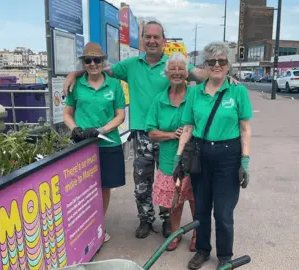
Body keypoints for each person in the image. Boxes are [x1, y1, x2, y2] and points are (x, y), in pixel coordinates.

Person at [62, 21, 238, 239]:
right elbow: (97, 68)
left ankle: (167, 221)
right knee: (142, 181)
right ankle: (145, 219)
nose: (152, 41)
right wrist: (74, 74)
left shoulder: (174, 64)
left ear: (164, 40)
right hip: (142, 134)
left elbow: (201, 74)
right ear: (143, 40)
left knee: (168, 179)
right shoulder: (130, 65)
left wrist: (224, 78)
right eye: (148, 37)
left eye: (157, 37)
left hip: (171, 135)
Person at [174, 41, 253, 270]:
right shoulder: (195, 93)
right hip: (201, 156)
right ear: (205, 65)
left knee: (223, 211)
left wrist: (245, 161)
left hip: (228, 157)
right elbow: (188, 128)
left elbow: (245, 128)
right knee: (201, 208)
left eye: (222, 61)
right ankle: (202, 251)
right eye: (212, 61)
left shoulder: (237, 91)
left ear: (228, 65)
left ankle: (225, 257)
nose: (217, 65)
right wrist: (179, 158)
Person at [63, 42, 126, 243]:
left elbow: (120, 116)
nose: (93, 63)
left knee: (104, 187)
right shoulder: (76, 85)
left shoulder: (114, 85)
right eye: (88, 60)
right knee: (81, 186)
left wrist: (101, 130)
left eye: (97, 60)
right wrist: (75, 129)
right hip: (82, 146)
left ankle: (99, 223)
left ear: (102, 61)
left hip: (108, 143)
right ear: (83, 63)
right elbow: (67, 114)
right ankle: (82, 226)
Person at [145, 52, 196, 251]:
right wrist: (171, 135)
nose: (176, 72)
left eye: (180, 68)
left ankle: (197, 236)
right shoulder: (159, 99)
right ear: (166, 73)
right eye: (172, 69)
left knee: (195, 199)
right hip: (169, 160)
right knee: (174, 200)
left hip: (194, 158)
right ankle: (175, 234)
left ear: (187, 72)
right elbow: (151, 131)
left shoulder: (196, 95)